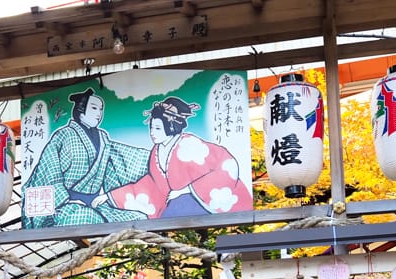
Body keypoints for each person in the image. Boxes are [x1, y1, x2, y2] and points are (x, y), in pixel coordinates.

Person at [93, 96, 252, 218]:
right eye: (151, 128)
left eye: (157, 128)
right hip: (178, 201)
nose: (152, 133)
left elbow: (225, 163)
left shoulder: (189, 144)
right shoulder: (156, 152)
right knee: (169, 215)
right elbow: (151, 185)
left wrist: (186, 190)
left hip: (205, 199)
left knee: (173, 212)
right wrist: (111, 196)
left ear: (170, 126)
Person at [22, 88, 150, 228]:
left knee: (140, 218)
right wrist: (66, 200)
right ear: (81, 110)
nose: (98, 113)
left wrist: (156, 157)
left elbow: (121, 156)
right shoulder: (64, 135)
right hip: (65, 206)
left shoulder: (103, 138)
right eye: (94, 108)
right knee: (84, 217)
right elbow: (49, 171)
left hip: (95, 205)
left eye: (100, 109)